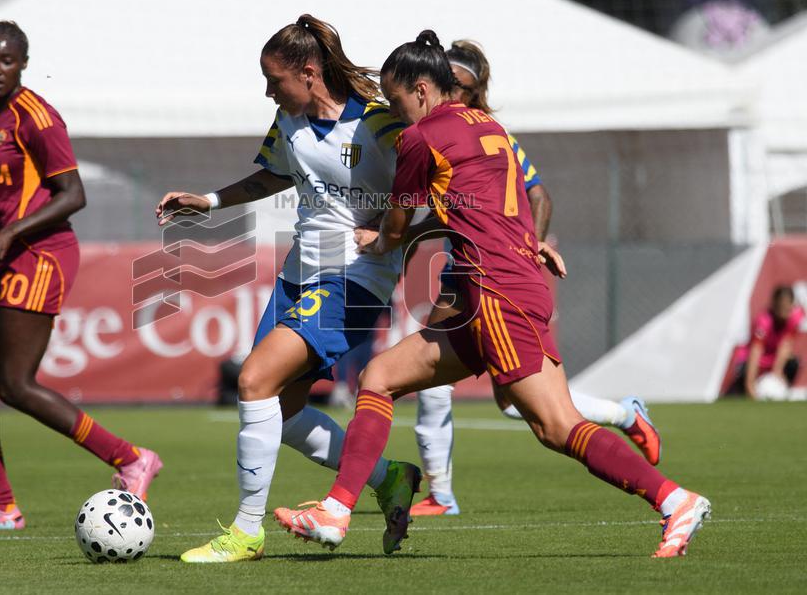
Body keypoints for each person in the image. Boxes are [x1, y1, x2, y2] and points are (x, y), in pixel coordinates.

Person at [275, 31, 710, 559]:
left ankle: (674, 500)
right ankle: (337, 511)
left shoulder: (421, 138)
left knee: (556, 426)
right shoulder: (490, 125)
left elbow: (397, 221)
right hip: (494, 285)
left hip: (496, 290)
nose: (393, 111)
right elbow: (497, 202)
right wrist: (529, 244)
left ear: (420, 88)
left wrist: (379, 239)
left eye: (394, 100)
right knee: (380, 377)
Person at [157, 15, 417, 563]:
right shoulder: (288, 120)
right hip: (299, 276)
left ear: (308, 71)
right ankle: (389, 478)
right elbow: (272, 174)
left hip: (355, 278)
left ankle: (246, 532)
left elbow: (429, 185)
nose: (268, 91)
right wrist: (209, 201)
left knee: (253, 381)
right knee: (282, 410)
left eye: (274, 80)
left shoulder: (380, 125)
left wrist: (393, 233)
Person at [0, 21, 161, 530]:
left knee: (15, 385)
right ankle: (1, 507)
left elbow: (73, 195)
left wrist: (8, 232)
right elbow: (4, 203)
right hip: (4, 252)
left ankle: (131, 458)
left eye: (5, 60)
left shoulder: (37, 117)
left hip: (40, 255)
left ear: (22, 62)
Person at [408, 40, 661, 517]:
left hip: (499, 275)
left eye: (459, 85)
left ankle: (628, 419)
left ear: (476, 90)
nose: (450, 93)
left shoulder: (494, 136)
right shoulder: (445, 131)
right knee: (500, 399)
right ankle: (441, 491)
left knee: (521, 406)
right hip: (467, 271)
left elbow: (540, 195)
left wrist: (532, 242)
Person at [729, 285, 803, 399]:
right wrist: (749, 385)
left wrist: (777, 373)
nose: (784, 311)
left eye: (787, 307)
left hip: (772, 362)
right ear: (775, 304)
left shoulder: (794, 319)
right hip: (754, 362)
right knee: (740, 388)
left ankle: (782, 392)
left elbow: (785, 346)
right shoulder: (764, 322)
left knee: (794, 363)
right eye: (781, 306)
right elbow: (755, 352)